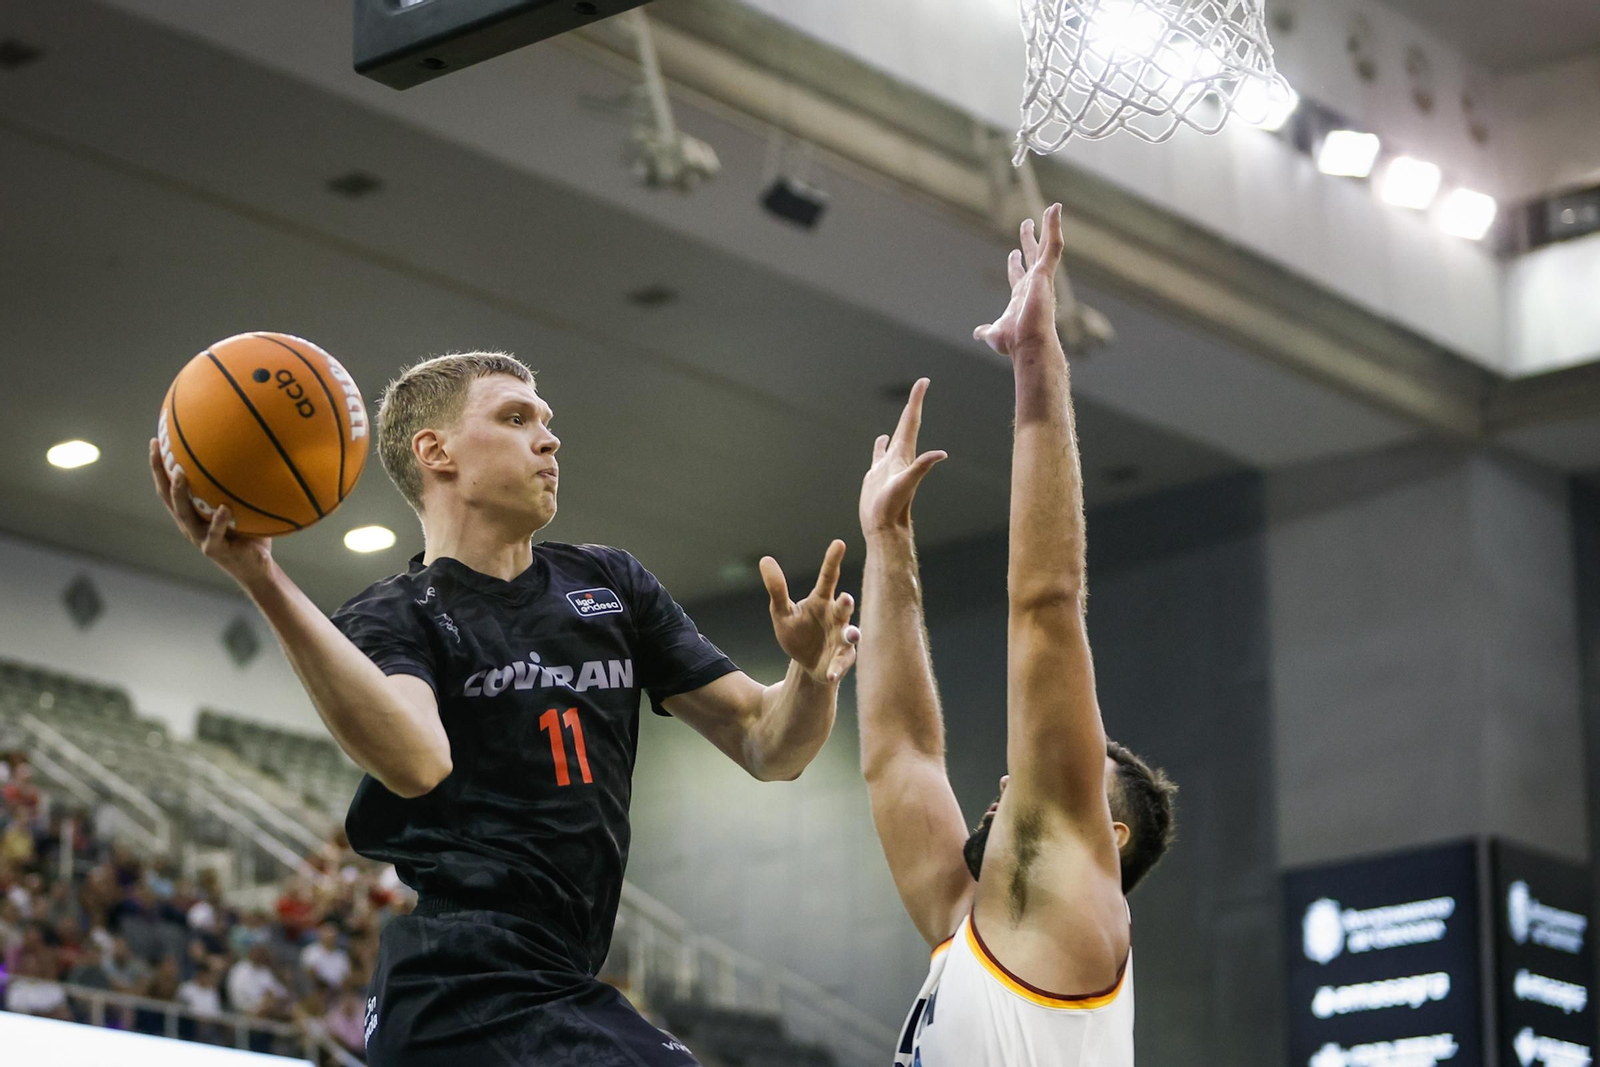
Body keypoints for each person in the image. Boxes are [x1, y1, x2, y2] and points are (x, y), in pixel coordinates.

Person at [149, 351, 860, 1067]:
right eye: (515, 418)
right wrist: (263, 577)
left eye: (545, 422)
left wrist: (811, 674)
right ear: (436, 451)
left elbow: (768, 744)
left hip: (557, 980)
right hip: (460, 984)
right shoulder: (392, 614)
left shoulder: (611, 583)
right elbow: (417, 758)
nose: (548, 439)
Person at [855, 206, 1177, 1067]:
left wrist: (1040, 362)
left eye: (1060, 775)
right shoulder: (970, 926)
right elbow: (900, 754)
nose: (1014, 777)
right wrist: (886, 543)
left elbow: (1048, 604)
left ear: (1108, 843)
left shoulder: (1070, 912)